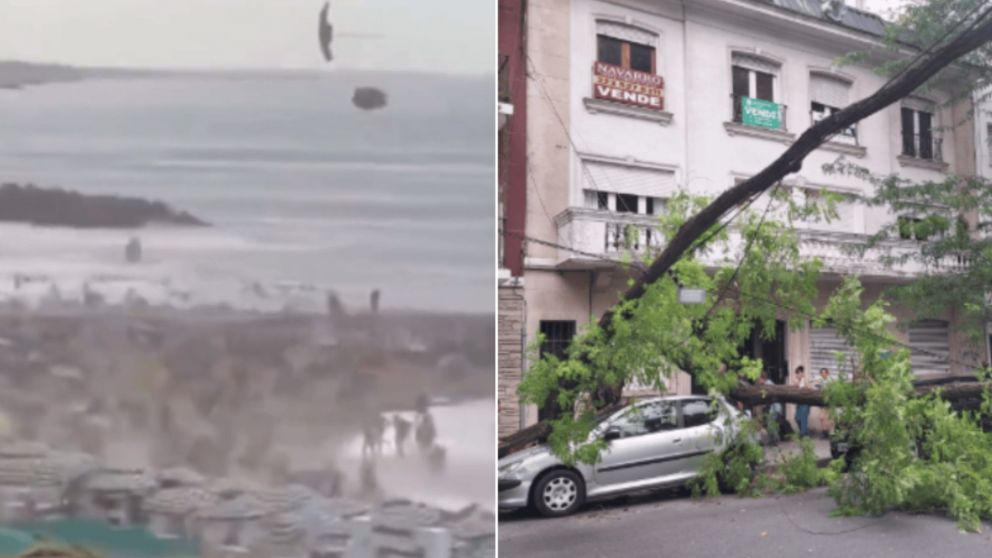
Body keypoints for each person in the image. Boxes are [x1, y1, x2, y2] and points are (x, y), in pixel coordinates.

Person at [793, 366, 811, 438]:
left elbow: (810, 389)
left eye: (799, 373)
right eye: (797, 373)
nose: (798, 375)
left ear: (803, 373)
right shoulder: (796, 382)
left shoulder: (806, 381)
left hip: (805, 402)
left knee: (804, 418)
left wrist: (803, 388)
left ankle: (803, 434)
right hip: (799, 403)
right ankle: (805, 432)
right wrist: (796, 385)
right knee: (797, 418)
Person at [816, 367, 833, 438]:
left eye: (824, 373)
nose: (823, 374)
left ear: (827, 374)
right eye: (822, 373)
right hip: (822, 401)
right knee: (821, 417)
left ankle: (830, 432)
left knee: (829, 417)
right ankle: (824, 431)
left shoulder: (830, 381)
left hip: (829, 401)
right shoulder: (820, 380)